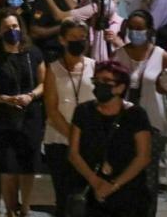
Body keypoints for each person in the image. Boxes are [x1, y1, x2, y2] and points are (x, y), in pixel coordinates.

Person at [0, 9, 46, 217]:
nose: (12, 30)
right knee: (8, 167)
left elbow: (44, 83)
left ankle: (25, 208)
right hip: (4, 117)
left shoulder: (33, 53)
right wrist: (4, 99)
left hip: (30, 114)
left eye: (15, 26)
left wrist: (31, 96)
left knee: (28, 166)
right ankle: (10, 209)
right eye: (7, 28)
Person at [69, 60, 152, 216]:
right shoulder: (83, 111)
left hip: (128, 191)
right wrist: (96, 183)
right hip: (92, 189)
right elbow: (74, 153)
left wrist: (113, 186)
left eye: (106, 81)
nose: (99, 85)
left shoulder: (135, 114)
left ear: (120, 87)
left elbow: (143, 157)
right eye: (96, 80)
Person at [111, 9, 167, 215]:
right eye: (132, 28)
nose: (135, 32)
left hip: (152, 123)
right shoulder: (118, 55)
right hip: (123, 123)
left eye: (140, 28)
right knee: (124, 174)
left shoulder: (161, 55)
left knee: (149, 179)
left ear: (149, 30)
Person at [42, 21, 96, 217]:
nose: (78, 42)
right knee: (65, 196)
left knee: (86, 197)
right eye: (73, 38)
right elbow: (52, 110)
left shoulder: (95, 67)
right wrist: (73, 136)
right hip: (60, 140)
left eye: (82, 38)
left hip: (89, 142)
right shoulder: (53, 69)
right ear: (62, 40)